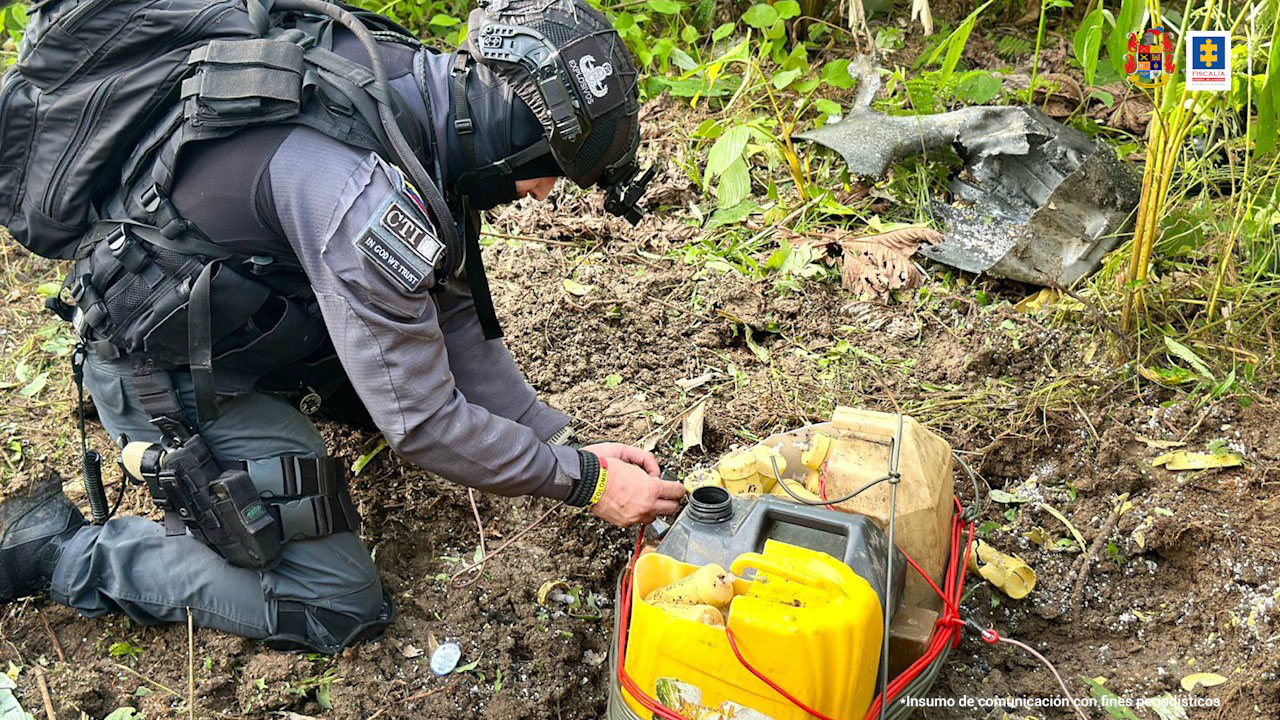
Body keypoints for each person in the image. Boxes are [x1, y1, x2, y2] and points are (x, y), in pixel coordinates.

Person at [0, 0, 685, 654]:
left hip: (250, 313)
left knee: (412, 365)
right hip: (163, 369)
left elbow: (455, 322)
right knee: (334, 601)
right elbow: (423, 424)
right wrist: (585, 484)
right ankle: (59, 553)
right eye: (550, 173)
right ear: (515, 142)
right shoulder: (356, 197)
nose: (545, 194)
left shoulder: (415, 97)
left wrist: (563, 445)